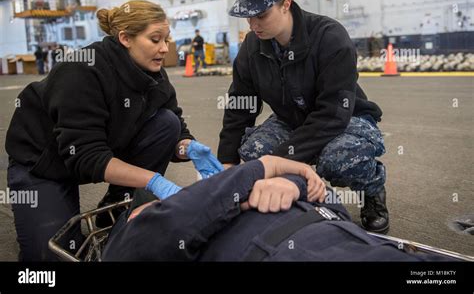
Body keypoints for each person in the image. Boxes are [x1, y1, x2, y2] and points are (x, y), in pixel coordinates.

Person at [5, 0, 223, 261]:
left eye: (166, 39)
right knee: (55, 256)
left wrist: (187, 147)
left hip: (100, 146)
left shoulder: (154, 74)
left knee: (167, 123)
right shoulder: (81, 72)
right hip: (44, 163)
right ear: (125, 38)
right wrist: (153, 181)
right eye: (155, 40)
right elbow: (86, 157)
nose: (164, 49)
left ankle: (117, 204)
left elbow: (175, 125)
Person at [217, 0, 389, 233]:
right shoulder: (252, 47)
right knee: (253, 153)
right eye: (247, 16)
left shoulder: (330, 37)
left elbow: (332, 114)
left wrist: (279, 162)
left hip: (344, 118)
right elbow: (241, 104)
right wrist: (226, 162)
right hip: (291, 119)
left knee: (337, 161)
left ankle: (373, 188)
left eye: (260, 15)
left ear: (286, 4)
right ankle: (299, 194)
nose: (252, 24)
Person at [102, 156, 451, 262]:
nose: (174, 200)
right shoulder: (138, 237)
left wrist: (292, 185)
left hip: (355, 240)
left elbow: (332, 205)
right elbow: (171, 224)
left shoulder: (220, 203)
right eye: (161, 203)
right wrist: (261, 167)